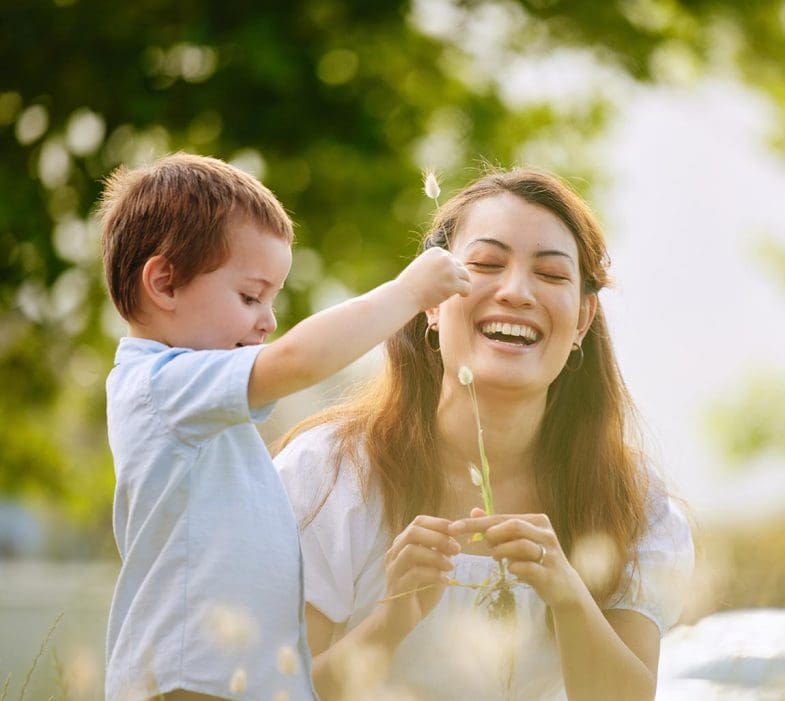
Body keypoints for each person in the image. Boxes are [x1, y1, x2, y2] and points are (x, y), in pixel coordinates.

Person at [274, 167, 694, 700]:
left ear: (583, 320)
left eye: (551, 274)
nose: (516, 292)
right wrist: (392, 619)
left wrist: (569, 598)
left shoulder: (632, 501)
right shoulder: (328, 477)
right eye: (486, 264)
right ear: (430, 300)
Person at [98, 153, 470, 701]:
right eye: (250, 296)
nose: (268, 320)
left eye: (271, 300)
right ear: (165, 283)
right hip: (188, 680)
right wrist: (409, 293)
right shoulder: (158, 387)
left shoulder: (200, 411)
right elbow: (297, 360)